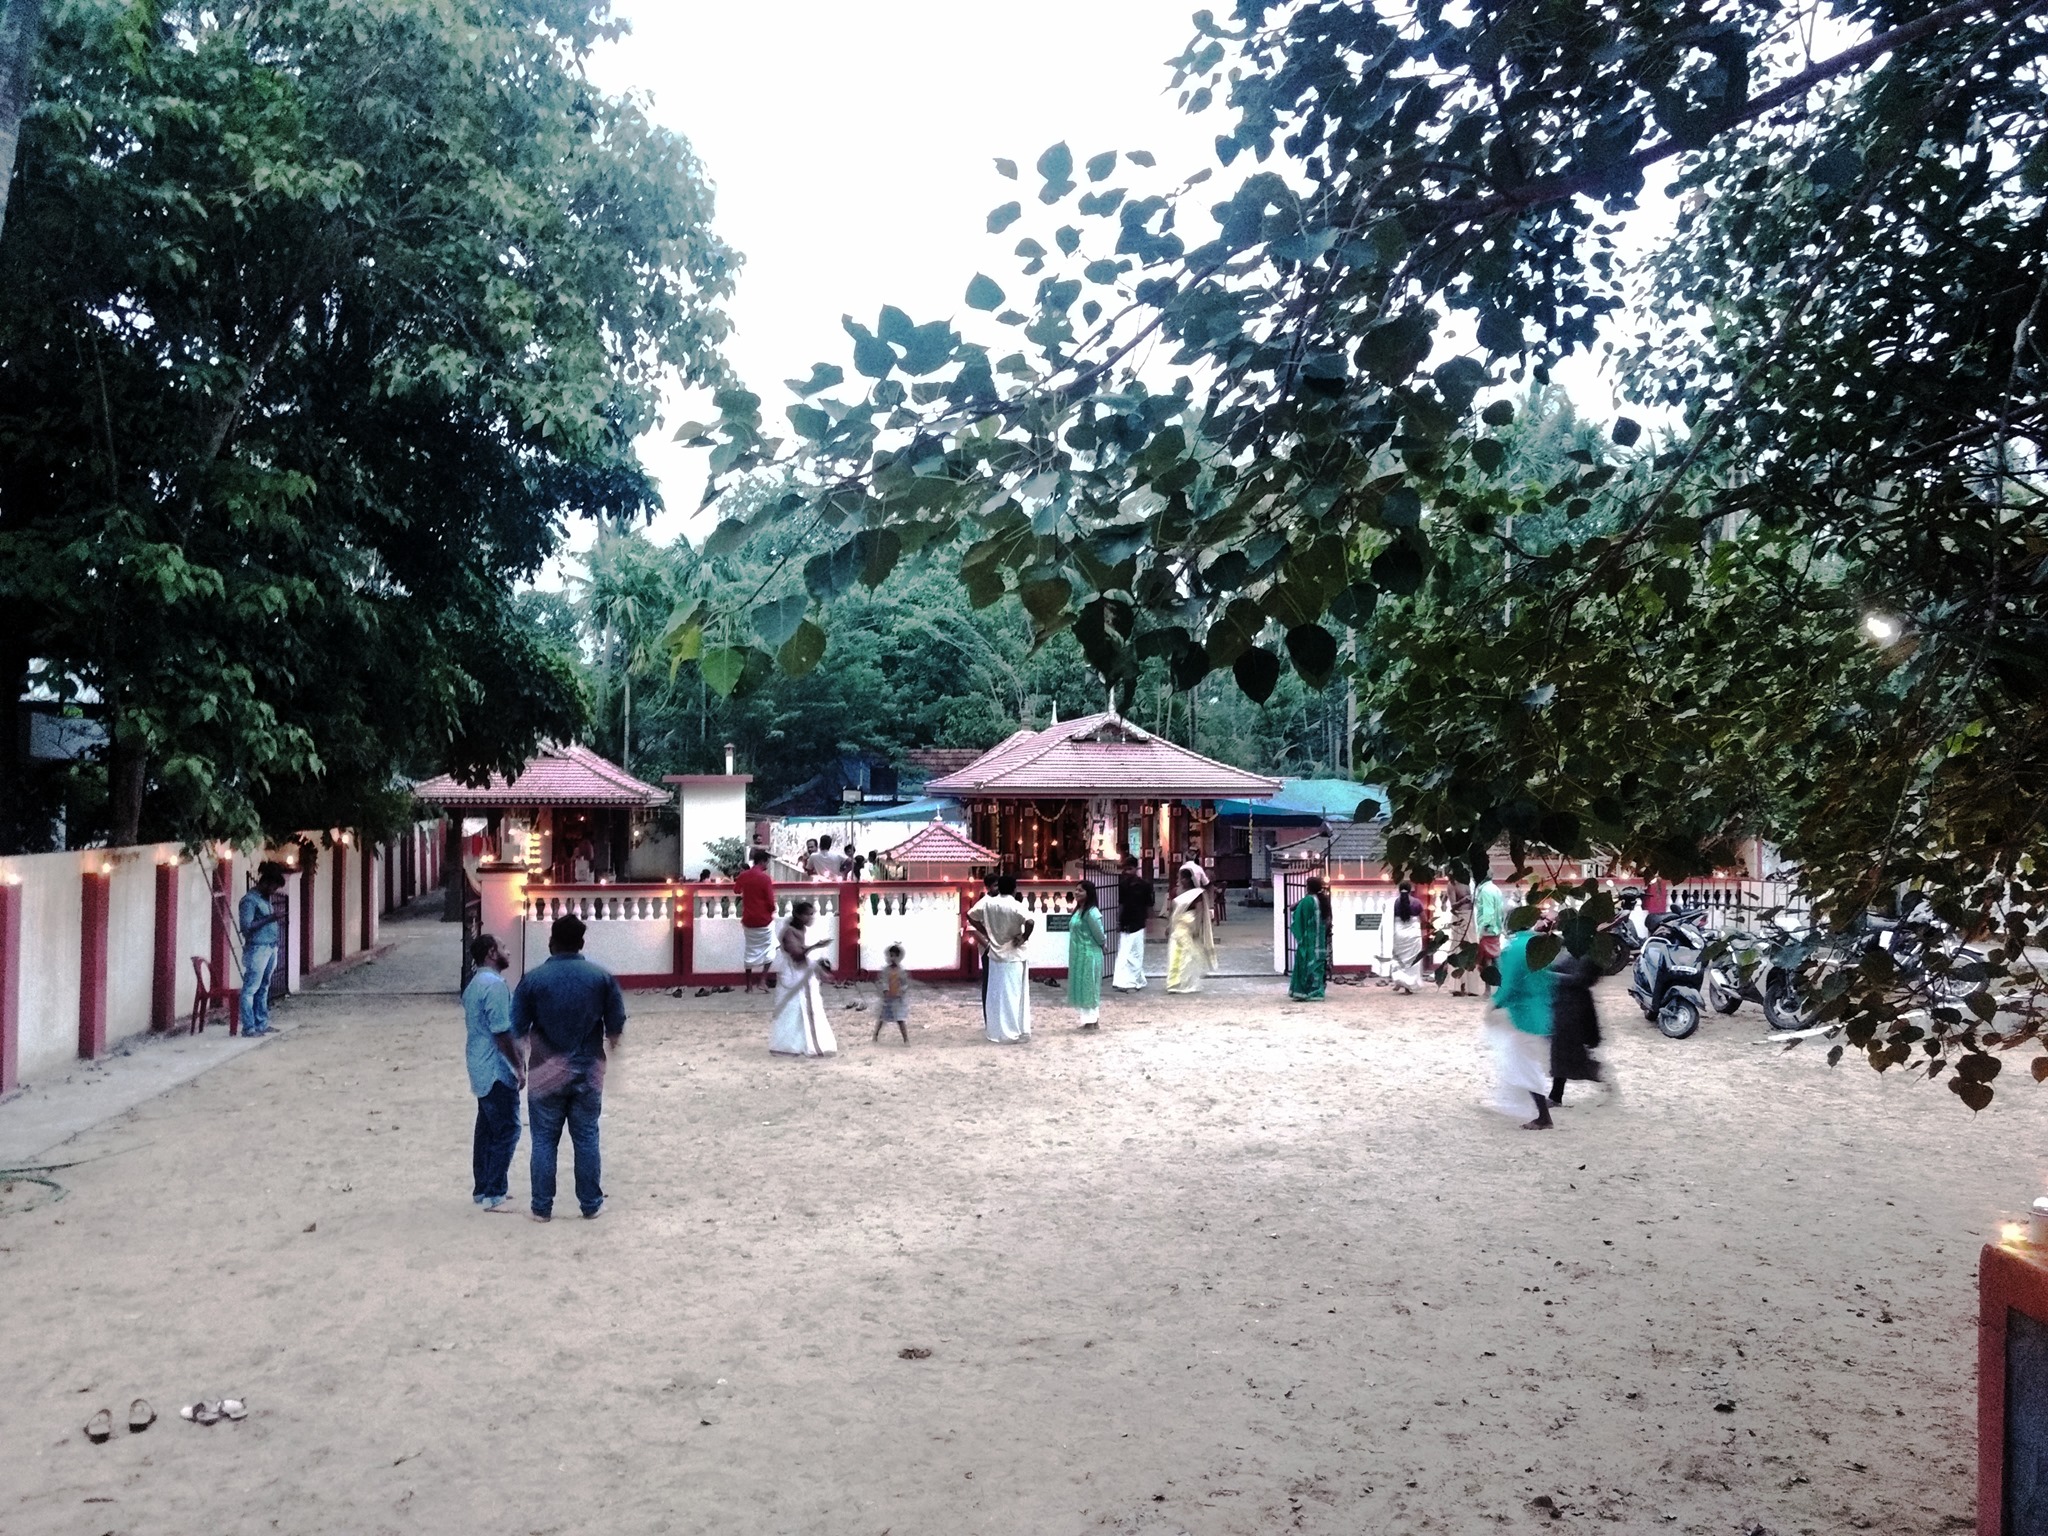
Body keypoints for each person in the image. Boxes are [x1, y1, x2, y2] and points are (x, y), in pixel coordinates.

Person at [511, 915, 625, 1221]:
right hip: (588, 1069)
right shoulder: (600, 977)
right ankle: (590, 1204)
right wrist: (610, 1046)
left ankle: (541, 1207)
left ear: (551, 942)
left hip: (544, 1070)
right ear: (582, 943)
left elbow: (518, 1028)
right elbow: (615, 1026)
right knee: (587, 1136)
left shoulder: (533, 979)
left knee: (544, 1140)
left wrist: (522, 1065)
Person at [462, 934, 523, 1211]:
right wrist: (518, 1067)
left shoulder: (474, 984)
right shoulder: (496, 986)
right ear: (490, 953)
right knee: (508, 1129)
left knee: (486, 1128)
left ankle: (483, 1187)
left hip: (478, 1063)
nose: (507, 952)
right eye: (503, 947)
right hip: (496, 1067)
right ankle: (495, 1192)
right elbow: (502, 1033)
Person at [1488, 922, 1557, 1129]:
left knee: (1524, 1064)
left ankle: (1543, 1117)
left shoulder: (1514, 948)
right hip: (1543, 1008)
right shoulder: (1541, 946)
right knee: (1528, 1061)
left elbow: (1509, 983)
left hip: (1523, 1013)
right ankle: (1539, 1108)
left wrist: (1495, 1003)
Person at [967, 873, 1035, 1043]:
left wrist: (986, 932)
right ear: (1014, 889)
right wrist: (1024, 937)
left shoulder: (988, 903)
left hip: (995, 955)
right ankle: (1013, 1031)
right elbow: (1030, 922)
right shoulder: (1015, 905)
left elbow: (970, 915)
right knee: (1014, 995)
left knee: (996, 994)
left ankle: (995, 1030)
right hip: (1014, 955)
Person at [769, 900, 838, 1057]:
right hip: (794, 977)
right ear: (798, 915)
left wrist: (821, 970)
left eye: (812, 914)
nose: (811, 918)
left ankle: (803, 1043)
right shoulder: (789, 932)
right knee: (794, 1010)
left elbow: (808, 959)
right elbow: (797, 955)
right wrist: (816, 946)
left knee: (809, 1009)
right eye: (808, 914)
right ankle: (790, 1045)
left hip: (805, 975)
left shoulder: (805, 930)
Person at [1548, 945, 1608, 1106]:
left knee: (1566, 1051)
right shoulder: (1567, 948)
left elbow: (1583, 979)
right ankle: (1556, 1095)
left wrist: (1551, 976)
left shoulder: (1592, 952)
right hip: (1563, 1004)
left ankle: (1556, 1096)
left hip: (1576, 1008)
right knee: (1564, 1052)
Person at [236, 864, 287, 1037]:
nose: (274, 891)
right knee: (251, 988)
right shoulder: (249, 901)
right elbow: (246, 927)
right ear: (265, 883)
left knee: (264, 987)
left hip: (270, 947)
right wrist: (271, 918)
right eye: (273, 887)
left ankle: (262, 1023)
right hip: (257, 948)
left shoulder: (265, 899)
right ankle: (249, 1027)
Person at [1166, 867, 1217, 993]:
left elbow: (1199, 911)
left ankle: (1185, 982)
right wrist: (1168, 925)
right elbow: (1171, 909)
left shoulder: (1196, 894)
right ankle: (1173, 983)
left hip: (1189, 926)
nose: (1182, 880)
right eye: (1181, 877)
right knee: (1174, 954)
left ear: (1190, 879)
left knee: (1187, 955)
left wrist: (1197, 928)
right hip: (1177, 926)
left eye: (1185, 877)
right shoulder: (1175, 891)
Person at [735, 846, 778, 993]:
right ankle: (762, 980)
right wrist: (771, 911)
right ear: (763, 862)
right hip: (764, 920)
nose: (767, 866)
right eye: (767, 863)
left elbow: (736, 890)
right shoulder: (765, 879)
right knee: (772, 947)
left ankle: (748, 986)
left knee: (750, 950)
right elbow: (771, 902)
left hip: (748, 920)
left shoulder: (744, 875)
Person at [1066, 881, 1106, 1030]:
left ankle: (1092, 1020)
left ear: (1088, 893)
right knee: (1082, 986)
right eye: (1076, 890)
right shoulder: (1078, 911)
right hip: (1078, 954)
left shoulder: (1092, 912)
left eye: (1081, 891)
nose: (1077, 893)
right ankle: (1088, 1019)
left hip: (1089, 953)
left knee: (1090, 985)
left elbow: (1099, 933)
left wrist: (1103, 944)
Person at [1112, 855, 1152, 992]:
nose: (1127, 872)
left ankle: (1132, 981)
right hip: (1128, 920)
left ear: (1136, 868)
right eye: (1125, 869)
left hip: (1138, 921)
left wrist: (1148, 921)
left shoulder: (1145, 885)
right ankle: (1126, 981)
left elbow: (1149, 905)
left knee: (1135, 954)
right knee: (1125, 953)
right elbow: (1121, 904)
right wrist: (1118, 920)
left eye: (1129, 869)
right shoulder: (1122, 885)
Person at [1288, 874, 1328, 1001]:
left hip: (1308, 940)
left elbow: (1297, 917)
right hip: (1321, 941)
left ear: (1308, 887)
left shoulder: (1308, 901)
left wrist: (1301, 935)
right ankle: (1317, 990)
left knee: (1304, 964)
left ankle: (1304, 991)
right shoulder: (1323, 900)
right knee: (1317, 965)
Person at [1444, 867, 1480, 995]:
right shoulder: (1451, 885)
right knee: (1459, 947)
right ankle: (1458, 985)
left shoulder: (1467, 882)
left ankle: (1472, 986)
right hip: (1460, 916)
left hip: (1470, 916)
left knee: (1471, 947)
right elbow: (1453, 906)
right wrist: (1464, 900)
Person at [1390, 879, 1426, 993]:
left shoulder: (1394, 903)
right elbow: (1424, 919)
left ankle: (1398, 982)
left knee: (1398, 959)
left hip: (1398, 933)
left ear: (1399, 890)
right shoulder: (1417, 903)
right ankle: (1408, 985)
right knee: (1412, 960)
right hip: (1413, 935)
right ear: (1411, 890)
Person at [1475, 868, 1508, 981]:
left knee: (1486, 960)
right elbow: (1500, 910)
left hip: (1487, 929)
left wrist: (1484, 929)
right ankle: (1500, 983)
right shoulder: (1495, 889)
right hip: (1495, 928)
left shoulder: (1485, 891)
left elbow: (1488, 911)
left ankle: (1488, 988)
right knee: (1494, 957)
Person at [874, 943, 910, 1044]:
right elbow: (883, 981)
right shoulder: (886, 970)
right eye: (891, 955)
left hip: (898, 1000)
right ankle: (875, 1035)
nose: (892, 958)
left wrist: (901, 991)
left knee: (900, 1019)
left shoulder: (901, 971)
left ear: (899, 957)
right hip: (888, 999)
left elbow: (904, 983)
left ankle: (905, 1039)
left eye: (894, 956)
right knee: (882, 1018)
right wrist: (885, 990)